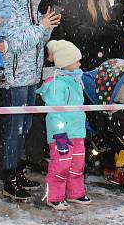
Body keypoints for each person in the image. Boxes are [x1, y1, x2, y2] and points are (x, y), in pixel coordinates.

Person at [1, 0, 60, 201]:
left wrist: (47, 27)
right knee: (14, 128)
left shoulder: (31, 3)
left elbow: (36, 37)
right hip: (15, 77)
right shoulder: (8, 4)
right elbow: (13, 42)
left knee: (24, 126)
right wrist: (40, 28)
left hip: (32, 74)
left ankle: (18, 169)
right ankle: (8, 176)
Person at [37, 40, 91, 211]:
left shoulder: (75, 80)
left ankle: (75, 192)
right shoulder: (55, 84)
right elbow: (54, 111)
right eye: (76, 60)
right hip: (61, 134)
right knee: (60, 164)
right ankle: (54, 196)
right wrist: (60, 132)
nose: (79, 64)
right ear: (65, 62)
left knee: (77, 163)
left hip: (77, 132)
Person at [60, 0, 118, 70]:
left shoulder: (105, 4)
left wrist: (112, 30)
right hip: (81, 60)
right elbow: (74, 31)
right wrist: (101, 31)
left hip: (102, 60)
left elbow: (114, 26)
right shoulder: (74, 2)